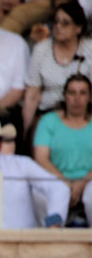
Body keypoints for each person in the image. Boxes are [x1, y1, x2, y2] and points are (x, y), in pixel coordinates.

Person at [22, 1, 92, 131]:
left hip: (83, 116)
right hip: (48, 115)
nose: (58, 27)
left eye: (65, 23)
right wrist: (26, 129)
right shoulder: (41, 49)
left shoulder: (89, 49)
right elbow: (32, 94)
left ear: (78, 28)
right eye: (56, 21)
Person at [32, 74, 92, 221]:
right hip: (55, 179)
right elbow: (41, 158)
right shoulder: (48, 121)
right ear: (64, 96)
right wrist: (65, 182)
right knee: (41, 196)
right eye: (72, 92)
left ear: (89, 97)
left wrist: (82, 182)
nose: (77, 98)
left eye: (82, 93)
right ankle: (48, 239)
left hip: (89, 180)